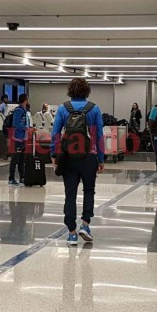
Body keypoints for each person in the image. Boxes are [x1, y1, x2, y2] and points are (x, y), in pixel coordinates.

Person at [50, 78, 105, 246]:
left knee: (70, 193)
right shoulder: (94, 109)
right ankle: (85, 224)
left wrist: (53, 153)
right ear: (87, 91)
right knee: (89, 190)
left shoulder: (63, 108)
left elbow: (55, 133)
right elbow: (99, 135)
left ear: (70, 91)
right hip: (89, 157)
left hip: (68, 157)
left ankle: (72, 233)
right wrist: (101, 159)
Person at [8, 94, 30, 187]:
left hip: (23, 138)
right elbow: (16, 124)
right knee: (15, 159)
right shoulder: (18, 110)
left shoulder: (24, 111)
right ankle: (11, 178)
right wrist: (25, 128)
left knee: (22, 160)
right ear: (25, 100)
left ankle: (22, 177)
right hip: (18, 138)